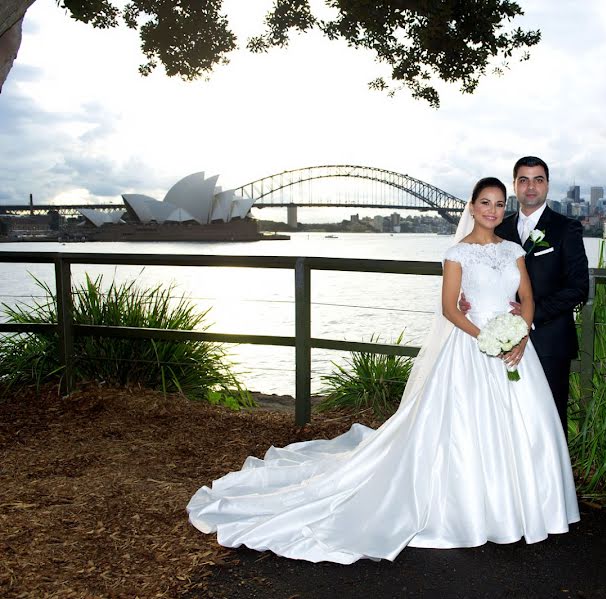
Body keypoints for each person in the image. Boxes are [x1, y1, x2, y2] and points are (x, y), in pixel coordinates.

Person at [186, 177, 580, 564]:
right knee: (463, 429)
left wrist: (518, 336)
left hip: (514, 348)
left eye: (498, 204)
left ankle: (521, 507)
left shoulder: (513, 249)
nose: (493, 211)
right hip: (472, 345)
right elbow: (448, 308)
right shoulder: (456, 252)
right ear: (472, 207)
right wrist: (484, 338)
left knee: (524, 428)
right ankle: (469, 511)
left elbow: (526, 297)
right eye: (485, 203)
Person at [463, 157, 589, 434]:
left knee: (550, 420)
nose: (531, 187)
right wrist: (467, 301)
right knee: (503, 419)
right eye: (523, 180)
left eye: (538, 180)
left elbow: (579, 287)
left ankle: (553, 477)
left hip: (549, 340)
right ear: (515, 186)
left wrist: (529, 317)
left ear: (547, 186)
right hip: (499, 341)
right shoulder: (498, 228)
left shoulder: (566, 228)